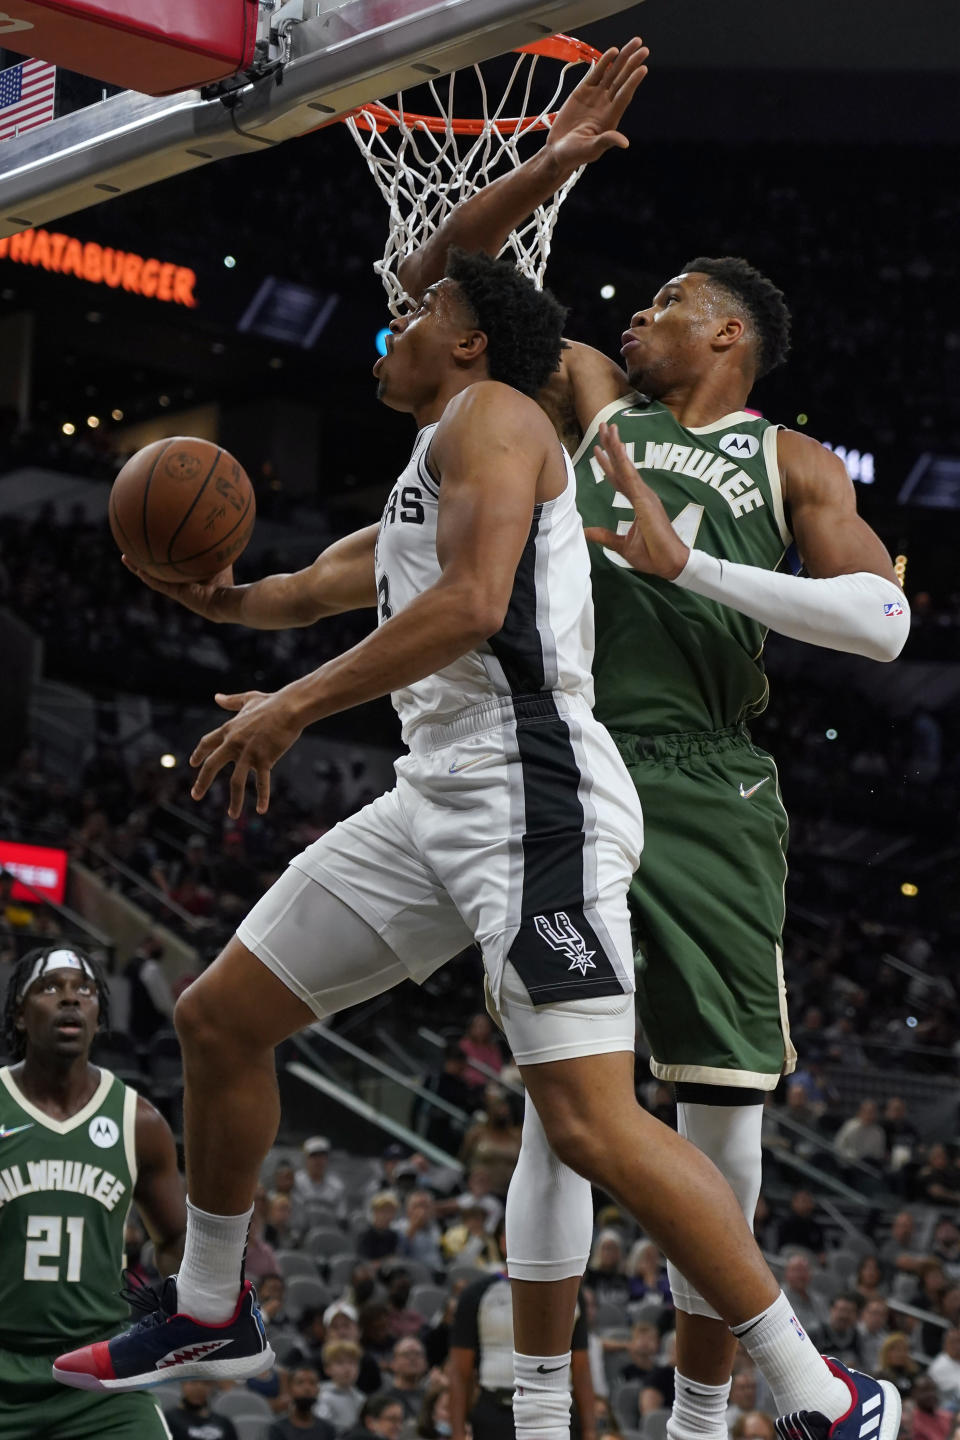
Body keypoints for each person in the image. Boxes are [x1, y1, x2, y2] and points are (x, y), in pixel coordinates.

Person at [63, 221, 895, 1440]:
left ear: (466, 340)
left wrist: (295, 707)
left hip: (536, 795)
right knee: (219, 1018)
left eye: (418, 316)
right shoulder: (435, 460)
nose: (390, 329)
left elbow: (470, 605)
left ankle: (816, 1393)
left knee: (590, 1122)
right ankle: (208, 1306)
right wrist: (200, 591)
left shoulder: (501, 419)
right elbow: (304, 590)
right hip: (437, 795)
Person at [394, 36, 909, 1440]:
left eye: (674, 301)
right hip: (567, 761)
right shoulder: (580, 395)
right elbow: (441, 292)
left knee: (720, 1121)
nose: (645, 312)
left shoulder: (788, 458)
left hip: (712, 783)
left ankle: (698, 1417)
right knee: (572, 1097)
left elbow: (880, 623)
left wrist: (691, 569)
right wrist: (545, 166)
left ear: (729, 336)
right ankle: (544, 1411)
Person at [0, 943, 186, 1440]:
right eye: (49, 988)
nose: (69, 999)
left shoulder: (138, 1121)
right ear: (19, 1015)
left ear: (99, 1015)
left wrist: (189, 1307)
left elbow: (175, 1240)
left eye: (83, 989)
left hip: (97, 1375)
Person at [267, 1365, 336, 1440]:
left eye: (312, 1383)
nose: (307, 1388)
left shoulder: (327, 1429)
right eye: (300, 1382)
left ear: (318, 1390)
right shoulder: (277, 1429)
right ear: (289, 1389)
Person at [315, 1340, 366, 1433]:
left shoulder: (361, 1398)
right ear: (327, 1368)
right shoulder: (318, 1394)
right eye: (340, 1363)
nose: (347, 1368)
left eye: (352, 1363)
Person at [164, 1379, 240, 1440]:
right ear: (183, 1384)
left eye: (205, 1383)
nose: (199, 1387)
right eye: (193, 1382)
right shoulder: (168, 1419)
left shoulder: (224, 1422)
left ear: (211, 1387)